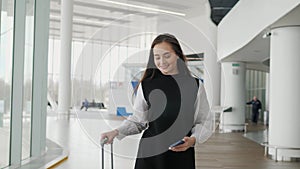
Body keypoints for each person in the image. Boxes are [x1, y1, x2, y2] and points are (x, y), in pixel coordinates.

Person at [101, 33, 212, 169]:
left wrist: (193, 140)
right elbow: (138, 120)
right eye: (157, 57)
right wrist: (116, 132)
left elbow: (204, 121)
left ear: (177, 55)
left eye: (167, 56)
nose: (161, 62)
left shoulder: (194, 85)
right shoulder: (147, 85)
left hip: (181, 155)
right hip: (150, 155)